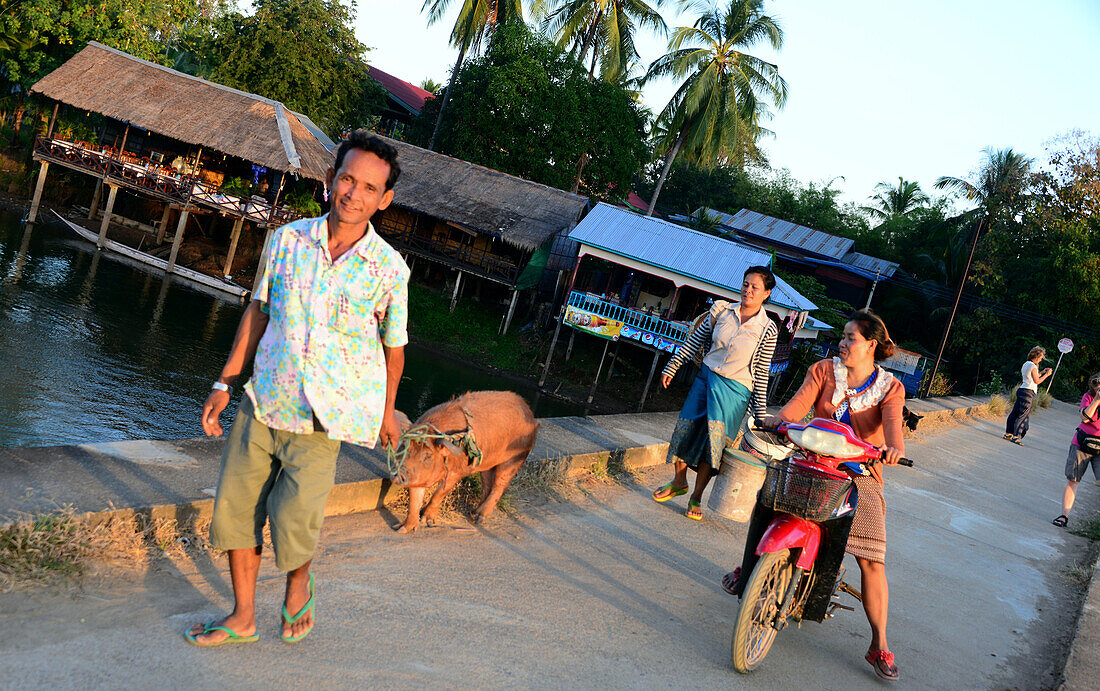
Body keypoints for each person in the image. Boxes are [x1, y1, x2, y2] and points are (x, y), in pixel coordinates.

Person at [185, 131, 409, 647]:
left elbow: (393, 349)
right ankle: (242, 616)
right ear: (331, 181)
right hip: (264, 400)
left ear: (384, 199)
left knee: (294, 519)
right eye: (347, 180)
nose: (354, 194)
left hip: (322, 419)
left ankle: (299, 579)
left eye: (369, 188)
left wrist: (387, 410)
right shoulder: (287, 242)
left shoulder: (389, 270)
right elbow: (258, 312)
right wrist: (225, 380)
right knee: (237, 512)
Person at [722, 309, 906, 681]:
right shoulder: (823, 370)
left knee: (871, 560)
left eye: (851, 338)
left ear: (871, 345)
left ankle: (879, 643)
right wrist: (780, 419)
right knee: (768, 501)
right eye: (842, 336)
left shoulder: (890, 388)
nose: (842, 343)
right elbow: (797, 405)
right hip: (810, 458)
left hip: (860, 472)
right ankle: (752, 568)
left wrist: (892, 448)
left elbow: (892, 427)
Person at [652, 266, 778, 520]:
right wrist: (672, 366)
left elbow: (762, 372)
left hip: (735, 392)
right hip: (706, 378)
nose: (748, 290)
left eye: (755, 287)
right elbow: (694, 342)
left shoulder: (768, 328)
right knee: (684, 430)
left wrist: (760, 414)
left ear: (766, 293)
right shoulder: (721, 311)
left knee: (714, 446)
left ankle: (696, 496)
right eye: (745, 284)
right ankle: (679, 480)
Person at [1053, 373, 1100, 528]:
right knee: (1073, 480)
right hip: (1082, 443)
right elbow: (1085, 418)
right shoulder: (1088, 397)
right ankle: (1064, 516)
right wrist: (1096, 400)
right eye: (1096, 384)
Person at [1004, 346, 1053, 445]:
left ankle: (1008, 433)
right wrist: (1047, 375)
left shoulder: (1026, 364)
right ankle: (1016, 436)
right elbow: (1037, 381)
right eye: (1040, 358)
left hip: (1022, 389)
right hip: (1028, 392)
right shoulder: (1033, 366)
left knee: (1014, 413)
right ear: (1036, 357)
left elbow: (1032, 377)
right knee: (1023, 415)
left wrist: (1042, 372)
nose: (1040, 360)